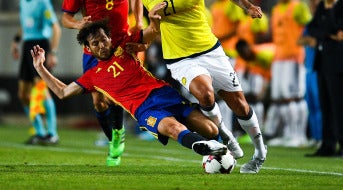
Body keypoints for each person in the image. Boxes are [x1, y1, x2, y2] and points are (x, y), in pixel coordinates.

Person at [140, 0, 267, 174]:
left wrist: (247, 6)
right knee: (205, 94)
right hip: (180, 59)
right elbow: (151, 30)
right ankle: (227, 136)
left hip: (210, 51)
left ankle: (259, 152)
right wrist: (151, 22)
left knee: (239, 103)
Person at [30, 19, 228, 160]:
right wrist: (40, 67)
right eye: (94, 44)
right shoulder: (92, 76)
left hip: (165, 95)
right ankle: (202, 147)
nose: (101, 46)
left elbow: (150, 34)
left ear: (109, 37)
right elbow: (62, 92)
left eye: (102, 39)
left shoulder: (125, 46)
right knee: (174, 128)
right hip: (145, 110)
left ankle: (217, 151)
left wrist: (153, 22)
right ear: (89, 49)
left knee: (210, 129)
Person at [61, 0, 143, 166]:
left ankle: (118, 134)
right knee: (98, 102)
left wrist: (138, 22)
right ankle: (114, 137)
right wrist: (79, 23)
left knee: (113, 96)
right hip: (94, 50)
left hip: (120, 47)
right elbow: (65, 18)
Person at [306, 0, 343, 158]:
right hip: (323, 62)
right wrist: (331, 33)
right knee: (325, 105)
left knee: (341, 106)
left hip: (339, 63)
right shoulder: (322, 5)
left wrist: (328, 14)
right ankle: (327, 145)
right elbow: (313, 28)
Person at [10, 0, 61, 145]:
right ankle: (39, 131)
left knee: (41, 89)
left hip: (40, 45)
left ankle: (52, 133)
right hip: (26, 45)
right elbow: (25, 25)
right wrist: (16, 41)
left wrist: (52, 52)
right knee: (23, 94)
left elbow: (55, 27)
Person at [264, 0, 312, 148]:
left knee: (295, 97)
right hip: (279, 58)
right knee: (281, 97)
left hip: (293, 57)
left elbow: (311, 27)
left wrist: (305, 40)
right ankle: (287, 134)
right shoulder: (276, 9)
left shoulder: (299, 7)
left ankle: (299, 136)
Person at [297, 0, 322, 146]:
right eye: (312, 5)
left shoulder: (325, 23)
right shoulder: (310, 24)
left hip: (320, 69)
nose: (314, 8)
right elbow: (300, 40)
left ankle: (323, 137)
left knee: (320, 104)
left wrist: (312, 40)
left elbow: (315, 42)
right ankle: (315, 137)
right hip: (308, 69)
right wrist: (309, 40)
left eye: (316, 5)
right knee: (311, 104)